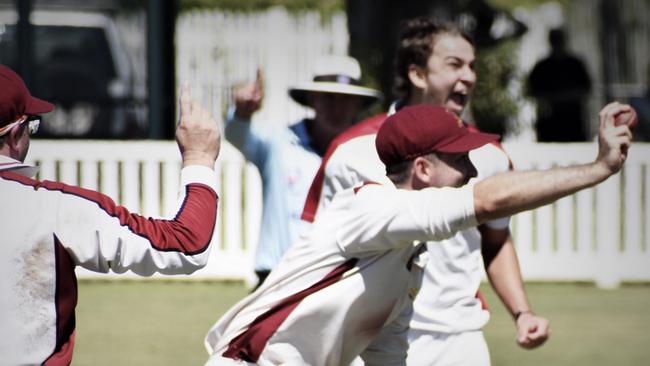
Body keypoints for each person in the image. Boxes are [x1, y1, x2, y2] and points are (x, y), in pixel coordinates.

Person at [204, 102, 633, 365]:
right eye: (461, 158)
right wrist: (599, 168)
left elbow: (388, 357)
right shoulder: (371, 207)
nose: (471, 169)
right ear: (424, 170)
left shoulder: (409, 259)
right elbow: (486, 201)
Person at [301, 18, 548, 365]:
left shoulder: (490, 156)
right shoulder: (350, 151)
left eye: (472, 66)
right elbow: (318, 249)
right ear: (417, 75)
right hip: (372, 341)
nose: (470, 76)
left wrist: (522, 312)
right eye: (455, 64)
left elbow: (496, 240)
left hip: (460, 341)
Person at [0, 64, 221, 364]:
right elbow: (186, 245)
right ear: (16, 133)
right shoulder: (53, 209)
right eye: (32, 125)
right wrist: (199, 157)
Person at [226, 55, 381, 287]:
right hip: (276, 276)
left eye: (346, 99)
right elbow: (238, 136)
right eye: (329, 97)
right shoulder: (279, 143)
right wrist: (243, 113)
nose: (337, 108)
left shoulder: (368, 151)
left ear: (358, 104)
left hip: (338, 277)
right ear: (312, 99)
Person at [527, 27, 592, 142]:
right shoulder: (543, 67)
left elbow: (586, 89)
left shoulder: (574, 64)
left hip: (572, 122)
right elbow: (532, 91)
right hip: (551, 123)